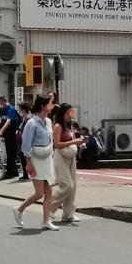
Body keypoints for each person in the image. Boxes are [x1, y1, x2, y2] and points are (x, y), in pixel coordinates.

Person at [13, 95, 58, 231]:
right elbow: (26, 144)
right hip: (36, 159)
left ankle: (46, 221)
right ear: (43, 106)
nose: (52, 106)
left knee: (49, 191)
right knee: (39, 193)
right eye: (50, 103)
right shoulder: (31, 123)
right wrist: (28, 163)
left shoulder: (48, 122)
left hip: (47, 158)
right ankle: (19, 209)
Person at [49, 103, 85, 223]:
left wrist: (79, 143)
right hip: (61, 157)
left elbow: (71, 140)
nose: (71, 114)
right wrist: (74, 142)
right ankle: (49, 209)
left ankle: (68, 214)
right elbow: (57, 144)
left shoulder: (69, 126)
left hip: (71, 157)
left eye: (71, 111)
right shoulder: (58, 126)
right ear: (63, 113)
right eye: (69, 112)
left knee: (73, 186)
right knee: (67, 185)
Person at [0, 95, 21, 178]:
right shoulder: (3, 109)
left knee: (11, 153)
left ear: (4, 101)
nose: (0, 104)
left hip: (12, 133)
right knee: (8, 153)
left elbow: (8, 121)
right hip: (7, 134)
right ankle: (11, 171)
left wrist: (1, 131)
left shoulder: (11, 109)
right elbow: (0, 120)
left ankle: (13, 172)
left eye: (1, 102)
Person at [16, 102, 32, 181]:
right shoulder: (23, 119)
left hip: (24, 141)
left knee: (25, 159)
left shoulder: (28, 119)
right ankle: (25, 174)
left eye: (20, 109)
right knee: (22, 159)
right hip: (21, 141)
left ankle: (29, 175)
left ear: (24, 110)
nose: (19, 111)